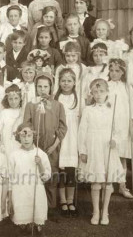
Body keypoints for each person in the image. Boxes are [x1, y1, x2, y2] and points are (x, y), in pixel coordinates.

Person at [78, 79, 125, 225]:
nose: (98, 95)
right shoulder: (87, 110)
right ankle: (96, 211)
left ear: (107, 93)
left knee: (108, 181)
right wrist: (83, 150)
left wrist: (115, 140)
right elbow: (82, 132)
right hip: (93, 147)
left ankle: (105, 211)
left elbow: (119, 130)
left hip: (107, 147)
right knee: (96, 182)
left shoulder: (113, 110)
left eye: (101, 91)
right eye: (95, 92)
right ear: (91, 93)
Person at [23, 72, 67, 221]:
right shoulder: (31, 104)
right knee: (36, 175)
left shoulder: (57, 105)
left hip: (51, 147)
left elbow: (62, 128)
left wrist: (54, 145)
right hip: (36, 146)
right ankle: (34, 207)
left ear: (51, 87)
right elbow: (27, 124)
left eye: (46, 86)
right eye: (40, 86)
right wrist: (32, 144)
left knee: (51, 176)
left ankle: (51, 206)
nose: (43, 89)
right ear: (36, 88)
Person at [9, 124, 51, 236]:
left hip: (36, 189)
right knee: (22, 209)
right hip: (20, 189)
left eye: (29, 135)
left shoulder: (40, 154)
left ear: (34, 136)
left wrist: (40, 164)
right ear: (18, 137)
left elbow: (46, 176)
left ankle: (38, 225)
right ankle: (24, 225)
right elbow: (10, 176)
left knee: (37, 208)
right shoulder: (14, 155)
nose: (26, 139)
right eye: (23, 136)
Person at [107, 58, 133, 199]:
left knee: (122, 157)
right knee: (109, 155)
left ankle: (122, 185)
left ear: (123, 72)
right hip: (109, 125)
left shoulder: (127, 87)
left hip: (123, 125)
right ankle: (109, 184)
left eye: (117, 71)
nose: (114, 73)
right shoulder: (106, 85)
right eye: (111, 70)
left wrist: (132, 125)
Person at [54, 68, 79, 217]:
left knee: (71, 169)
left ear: (74, 82)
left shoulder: (79, 99)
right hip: (61, 136)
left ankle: (70, 200)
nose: (66, 83)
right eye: (63, 80)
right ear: (59, 82)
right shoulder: (56, 98)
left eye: (69, 81)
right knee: (61, 169)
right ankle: (62, 200)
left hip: (73, 137)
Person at [0, 84, 23, 159]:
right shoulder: (4, 112)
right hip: (7, 142)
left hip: (19, 142)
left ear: (20, 98)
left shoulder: (22, 111)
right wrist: (1, 144)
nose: (13, 101)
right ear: (7, 99)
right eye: (10, 99)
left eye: (16, 98)